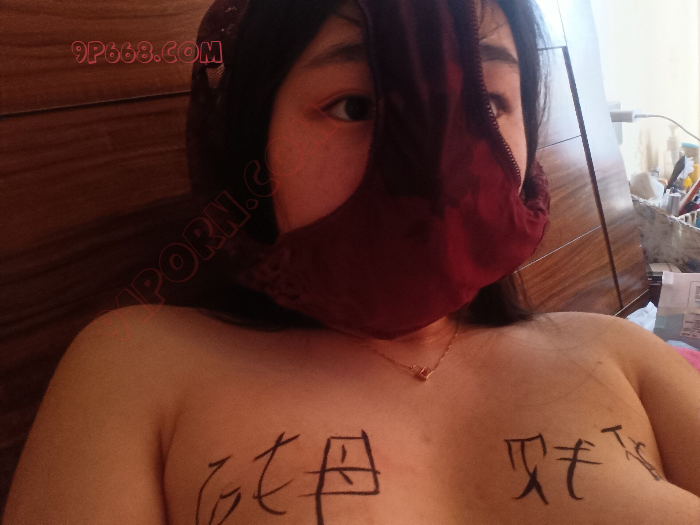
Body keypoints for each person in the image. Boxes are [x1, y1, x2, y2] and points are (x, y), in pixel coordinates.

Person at [3, 0, 700, 523]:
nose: (436, 173)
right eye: (354, 105)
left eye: (487, 104)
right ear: (251, 142)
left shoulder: (625, 355)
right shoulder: (135, 366)